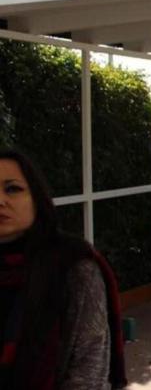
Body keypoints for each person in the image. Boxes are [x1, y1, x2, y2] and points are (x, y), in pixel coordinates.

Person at [0, 150, 126, 389]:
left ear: (36, 198)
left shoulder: (74, 268)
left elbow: (88, 372)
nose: (0, 200)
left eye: (12, 189)